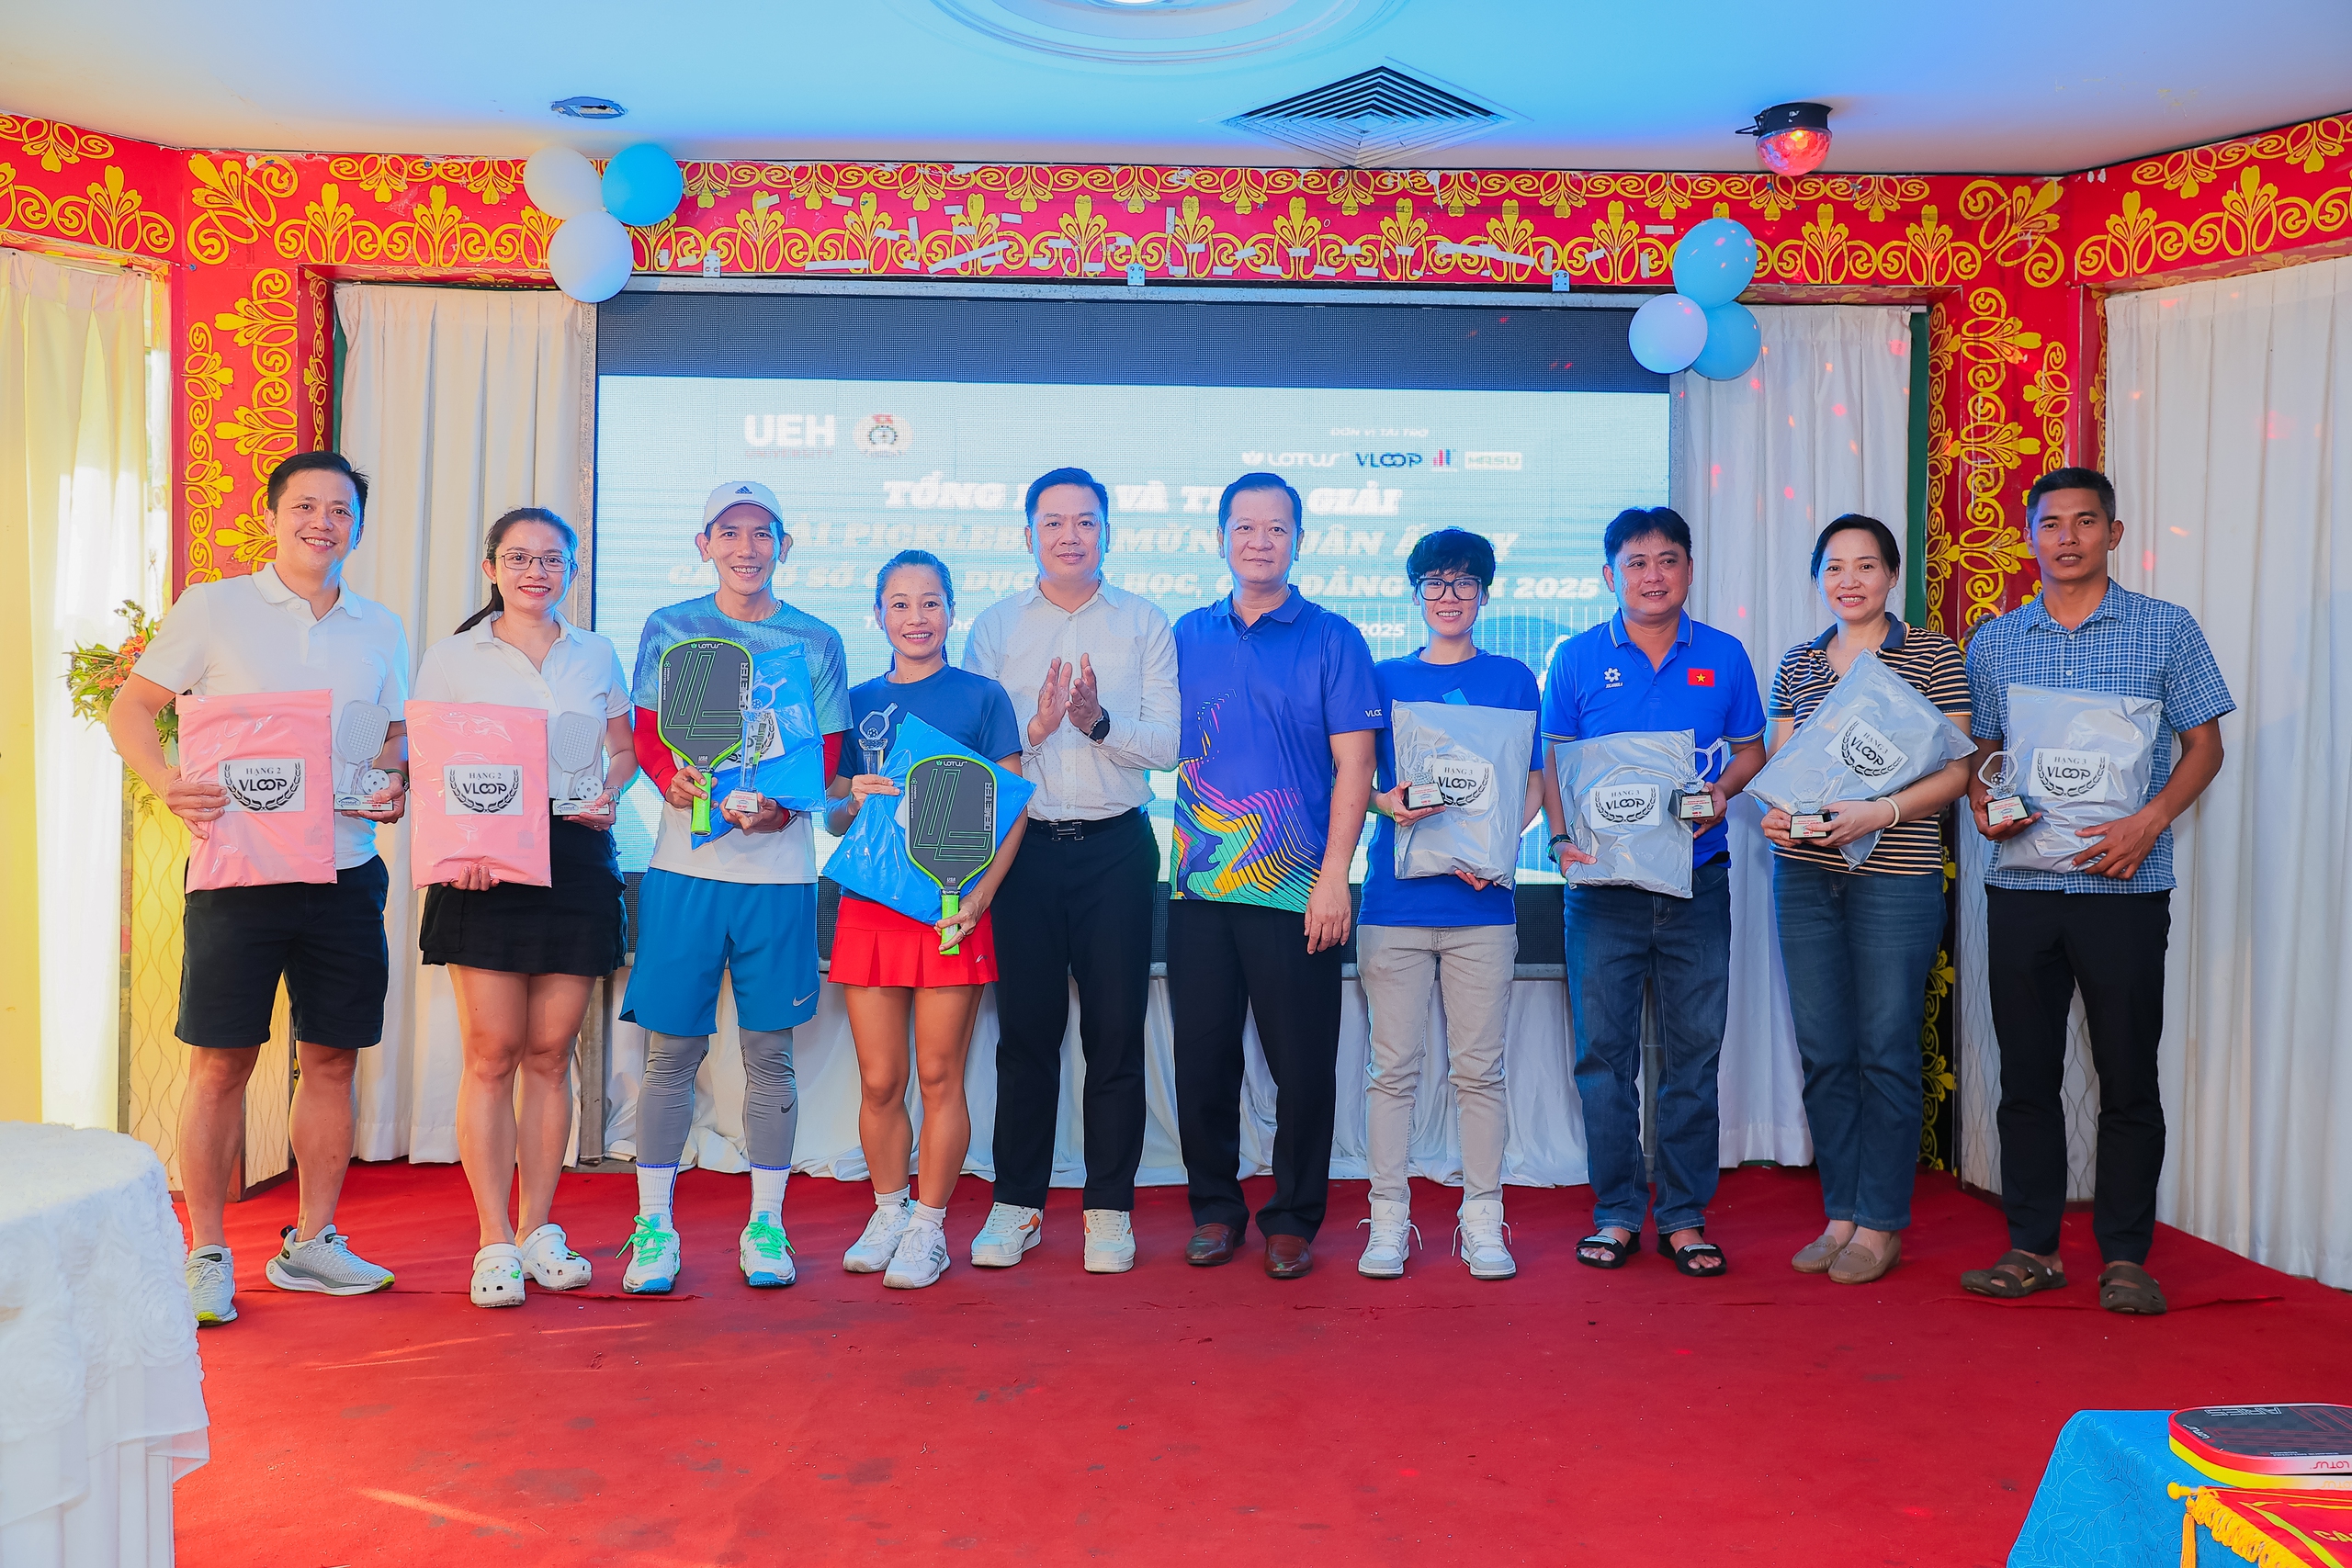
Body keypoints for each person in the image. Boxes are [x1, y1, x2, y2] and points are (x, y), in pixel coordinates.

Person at [107, 450, 409, 1324]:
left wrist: (396, 782)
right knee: (221, 1063)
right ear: (273, 516)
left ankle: (313, 1241)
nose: (323, 522)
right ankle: (204, 1248)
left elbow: (387, 740)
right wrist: (167, 780)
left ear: (357, 523)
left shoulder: (378, 625)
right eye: (306, 506)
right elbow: (131, 708)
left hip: (347, 870)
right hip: (236, 875)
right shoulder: (215, 606)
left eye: (340, 509)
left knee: (330, 1058)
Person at [1959, 467, 2231, 1316]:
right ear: (2031, 537)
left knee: (2127, 1075)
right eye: (2051, 524)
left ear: (2115, 534)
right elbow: (1983, 756)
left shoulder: (2165, 629)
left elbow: (2205, 747)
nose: (2067, 537)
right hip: (2025, 888)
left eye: (2085, 522)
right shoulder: (1997, 641)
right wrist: (1983, 803)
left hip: (2127, 887)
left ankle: (2125, 1256)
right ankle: (2032, 1246)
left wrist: (2148, 821)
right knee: (2027, 1075)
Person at [618, 481, 849, 1295]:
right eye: (730, 533)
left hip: (779, 875)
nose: (746, 548)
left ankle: (766, 1225)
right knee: (670, 1053)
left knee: (768, 1056)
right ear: (703, 542)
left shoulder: (817, 640)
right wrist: (667, 780)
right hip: (685, 871)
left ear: (784, 545)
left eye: (762, 534)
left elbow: (826, 750)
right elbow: (648, 733)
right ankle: (654, 1227)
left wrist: (786, 803)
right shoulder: (670, 626)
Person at [412, 508, 636, 1308]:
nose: (535, 571)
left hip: (575, 856)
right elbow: (429, 760)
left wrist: (610, 790)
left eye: (552, 559)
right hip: (483, 862)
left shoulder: (597, 652)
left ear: (571, 569)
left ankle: (541, 1228)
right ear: (491, 567)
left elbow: (623, 748)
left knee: (550, 1052)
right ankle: (493, 1239)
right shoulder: (453, 657)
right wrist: (454, 845)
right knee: (492, 1049)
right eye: (519, 557)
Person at [960, 468, 1178, 1275]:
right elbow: (979, 749)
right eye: (1052, 522)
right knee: (1026, 1036)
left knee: (1115, 1034)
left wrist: (1097, 723)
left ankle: (1108, 1208)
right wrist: (1043, 724)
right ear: (1028, 535)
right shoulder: (993, 628)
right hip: (1024, 854)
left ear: (1106, 533)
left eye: (1085, 521)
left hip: (1118, 848)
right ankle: (1016, 1203)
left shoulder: (1145, 623)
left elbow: (1167, 745)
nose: (1069, 535)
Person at [1540, 505, 1765, 1279]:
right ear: (1611, 576)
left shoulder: (1726, 656)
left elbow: (1750, 750)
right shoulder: (1573, 658)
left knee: (1693, 1055)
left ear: (1690, 571)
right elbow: (1555, 763)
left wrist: (1724, 791)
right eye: (1636, 563)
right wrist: (1561, 841)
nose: (1653, 575)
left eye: (1668, 560)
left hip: (1698, 881)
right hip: (1602, 889)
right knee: (1602, 1057)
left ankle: (1682, 1214)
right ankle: (1614, 1212)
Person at [1169, 472, 1382, 1280]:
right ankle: (1215, 1209)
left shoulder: (1332, 638)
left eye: (1277, 528)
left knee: (1303, 1063)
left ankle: (1292, 1215)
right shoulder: (1184, 633)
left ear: (1298, 539)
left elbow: (1355, 764)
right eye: (1245, 527)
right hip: (1199, 889)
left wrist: (1336, 878)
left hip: (1299, 891)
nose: (1260, 541)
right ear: (1221, 536)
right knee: (1204, 1060)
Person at [1757, 515, 1972, 1287]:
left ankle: (1881, 1222)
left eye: (1867, 565)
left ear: (1891, 575)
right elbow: (1781, 763)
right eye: (1836, 567)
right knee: (1824, 1050)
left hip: (1897, 873)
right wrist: (1774, 813)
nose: (1851, 580)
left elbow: (1956, 770)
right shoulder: (1799, 662)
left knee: (1885, 1048)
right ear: (1820, 577)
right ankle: (1840, 1211)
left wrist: (1878, 813)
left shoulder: (1933, 654)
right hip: (1806, 873)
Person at [826, 550, 1026, 1290]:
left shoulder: (982, 696)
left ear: (951, 611)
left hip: (950, 910)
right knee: (880, 1079)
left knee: (941, 1073)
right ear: (879, 614)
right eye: (901, 604)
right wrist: (857, 798)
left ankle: (930, 1228)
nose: (917, 617)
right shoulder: (850, 702)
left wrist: (979, 901)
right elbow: (836, 814)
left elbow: (1011, 814)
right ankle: (888, 1210)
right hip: (871, 908)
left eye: (931, 602)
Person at [1355, 528, 1545, 1281]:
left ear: (1486, 594)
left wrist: (1496, 850)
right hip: (1394, 904)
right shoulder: (1381, 676)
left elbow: (1531, 782)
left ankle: (1483, 1219)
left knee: (1479, 1072)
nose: (1449, 597)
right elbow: (1355, 781)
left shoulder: (1512, 678)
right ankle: (1390, 1219)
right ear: (1414, 593)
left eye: (1465, 583)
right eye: (1435, 583)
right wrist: (1383, 802)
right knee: (1391, 1070)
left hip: (1482, 906)